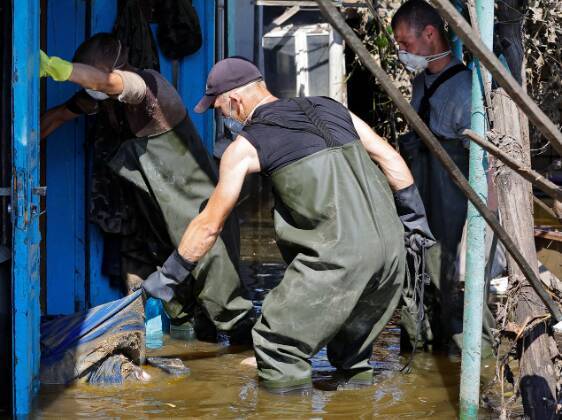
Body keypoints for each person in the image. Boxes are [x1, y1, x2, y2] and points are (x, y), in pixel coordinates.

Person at [142, 57, 433, 392]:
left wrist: (168, 277)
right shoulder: (333, 108)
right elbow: (391, 160)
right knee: (352, 360)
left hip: (338, 259)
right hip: (393, 253)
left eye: (219, 108)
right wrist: (415, 221)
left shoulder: (247, 145)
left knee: (277, 346)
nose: (222, 116)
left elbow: (210, 224)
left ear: (234, 101)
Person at [39, 34, 253, 341]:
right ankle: (192, 361)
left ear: (117, 68)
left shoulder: (147, 87)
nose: (89, 88)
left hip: (196, 205)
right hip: (156, 211)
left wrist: (59, 68)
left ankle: (249, 361)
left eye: (93, 78)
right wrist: (20, 146)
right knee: (179, 307)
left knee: (220, 287)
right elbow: (58, 116)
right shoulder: (100, 101)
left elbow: (109, 84)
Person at [392, 0, 494, 352]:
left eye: (406, 44)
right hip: (422, 211)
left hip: (453, 217)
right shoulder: (421, 85)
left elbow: (485, 168)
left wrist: (482, 225)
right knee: (418, 282)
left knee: (453, 289)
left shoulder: (467, 92)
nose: (402, 52)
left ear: (431, 34)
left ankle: (468, 357)